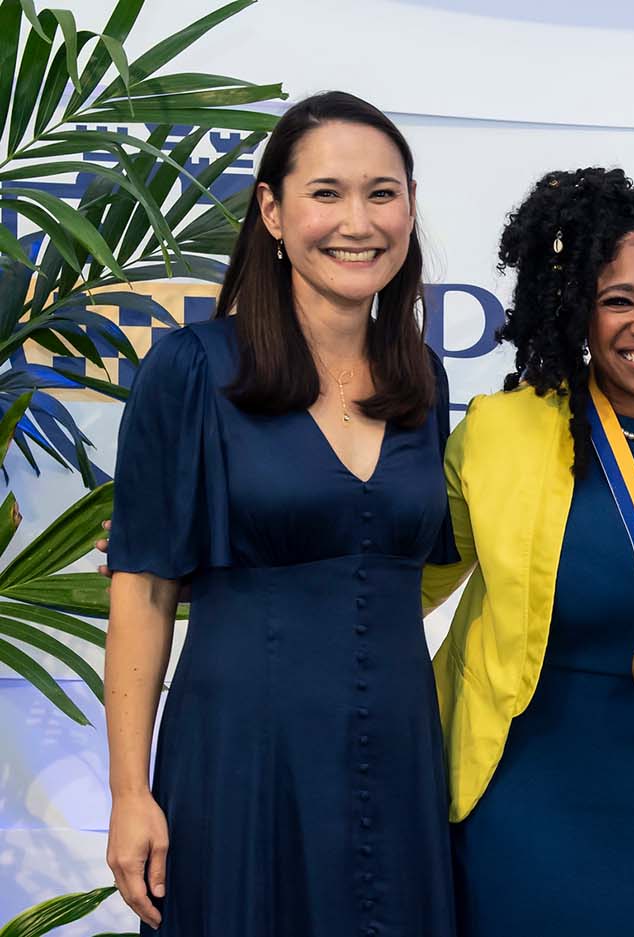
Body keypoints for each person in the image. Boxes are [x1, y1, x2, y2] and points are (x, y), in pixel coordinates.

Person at [104, 92, 457, 936]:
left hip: (399, 760)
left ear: (409, 207)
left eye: (382, 192)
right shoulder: (192, 369)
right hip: (242, 759)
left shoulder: (423, 379)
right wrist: (128, 791)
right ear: (271, 209)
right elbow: (143, 591)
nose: (357, 221)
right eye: (326, 192)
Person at [420, 168, 634, 935]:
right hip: (521, 809)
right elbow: (390, 583)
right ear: (580, 309)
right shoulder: (498, 432)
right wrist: (218, 573)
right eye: (619, 300)